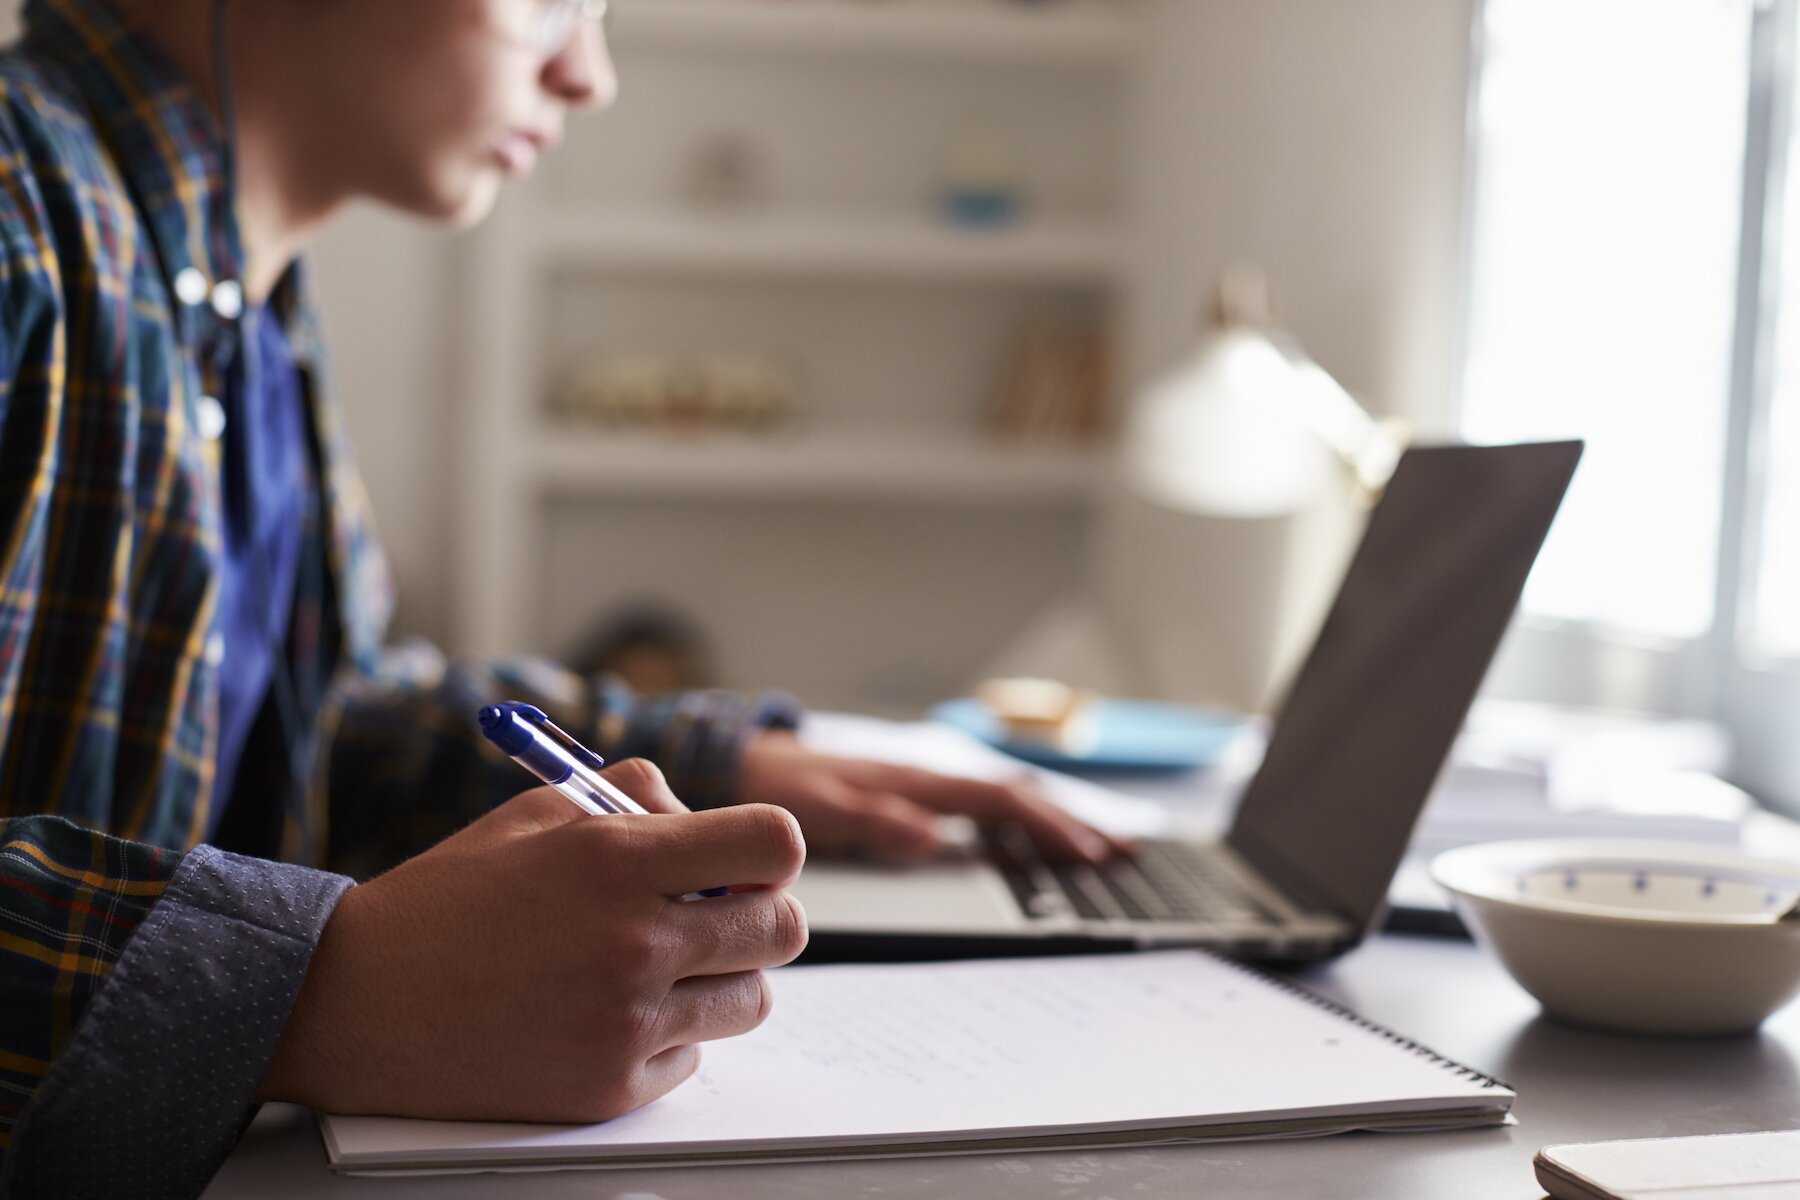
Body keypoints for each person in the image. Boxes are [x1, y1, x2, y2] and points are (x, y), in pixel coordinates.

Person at [0, 0, 1126, 1194]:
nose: (588, 74)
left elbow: (314, 721)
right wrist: (311, 995)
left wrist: (711, 759)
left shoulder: (237, 295)